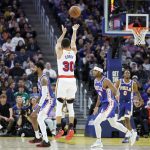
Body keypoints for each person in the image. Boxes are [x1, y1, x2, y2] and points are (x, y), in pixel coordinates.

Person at [91, 66, 136, 148]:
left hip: (110, 103)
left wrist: (117, 96)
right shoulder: (95, 81)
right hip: (104, 104)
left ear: (99, 72)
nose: (93, 72)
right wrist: (96, 107)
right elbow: (99, 95)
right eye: (93, 70)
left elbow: (115, 90)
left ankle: (98, 141)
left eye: (95, 70)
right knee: (113, 124)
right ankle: (129, 132)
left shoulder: (106, 80)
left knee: (96, 122)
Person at [55, 24, 79, 140]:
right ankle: (71, 128)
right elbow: (74, 42)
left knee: (59, 105)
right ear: (69, 45)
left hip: (63, 79)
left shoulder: (60, 52)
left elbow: (58, 43)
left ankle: (59, 129)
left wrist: (63, 33)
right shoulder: (73, 53)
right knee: (70, 106)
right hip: (72, 80)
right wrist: (74, 31)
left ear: (62, 46)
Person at [29, 62, 56, 147]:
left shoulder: (44, 79)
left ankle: (46, 141)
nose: (33, 69)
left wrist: (37, 108)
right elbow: (41, 93)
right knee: (32, 116)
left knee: (40, 118)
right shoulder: (39, 77)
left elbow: (44, 95)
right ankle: (37, 137)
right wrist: (36, 102)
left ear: (39, 68)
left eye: (35, 67)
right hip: (44, 101)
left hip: (49, 101)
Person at [115, 70, 143, 143]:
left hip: (128, 103)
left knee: (127, 118)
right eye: (126, 73)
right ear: (123, 74)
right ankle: (132, 133)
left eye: (129, 73)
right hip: (121, 103)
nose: (127, 74)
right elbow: (114, 89)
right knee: (123, 120)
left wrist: (141, 100)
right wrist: (115, 95)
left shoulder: (133, 83)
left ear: (130, 75)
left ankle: (130, 135)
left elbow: (137, 92)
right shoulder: (119, 81)